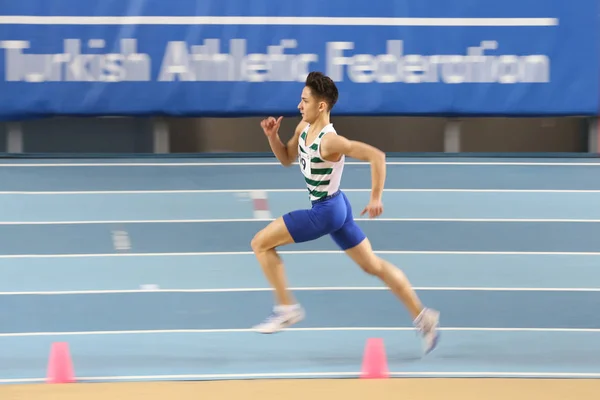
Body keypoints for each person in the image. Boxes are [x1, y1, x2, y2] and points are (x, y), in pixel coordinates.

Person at [251, 71, 440, 354]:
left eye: (304, 101)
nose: (299, 106)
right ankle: (424, 316)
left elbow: (377, 156)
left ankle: (287, 308)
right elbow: (287, 158)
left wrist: (376, 197)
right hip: (337, 206)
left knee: (260, 243)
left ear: (322, 106)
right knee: (372, 265)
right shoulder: (303, 128)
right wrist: (272, 137)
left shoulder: (330, 142)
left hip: (326, 212)